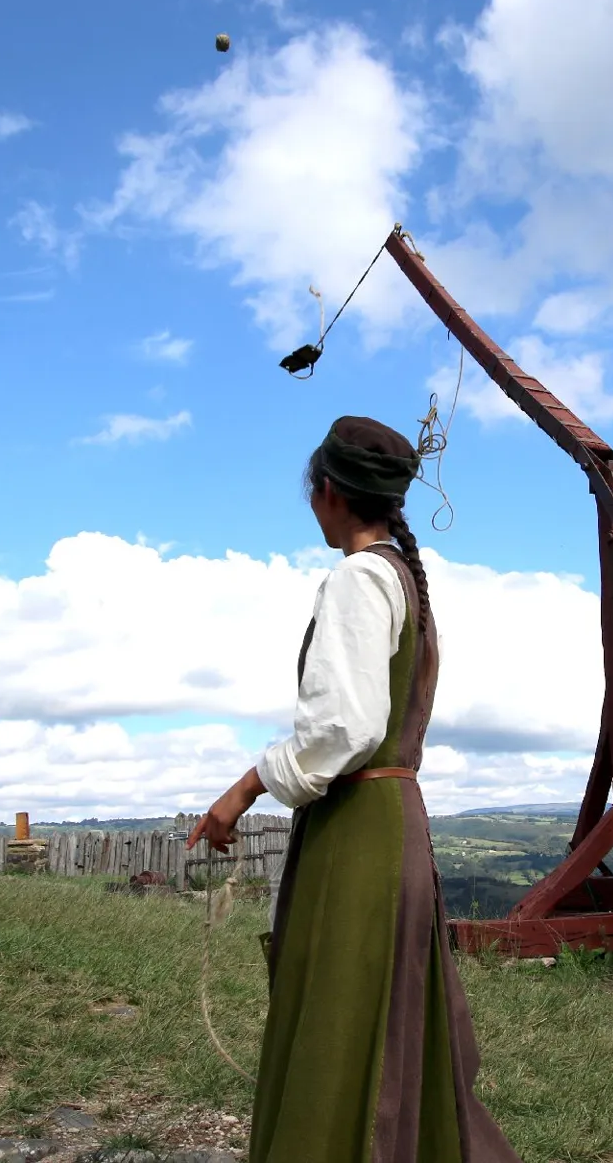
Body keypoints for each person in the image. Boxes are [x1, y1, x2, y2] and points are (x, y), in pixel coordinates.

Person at [188, 415, 522, 1163]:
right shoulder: (405, 580)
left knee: (340, 1023)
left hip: (360, 833)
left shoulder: (360, 578)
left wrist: (240, 792)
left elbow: (341, 731)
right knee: (388, 1020)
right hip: (391, 820)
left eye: (314, 492)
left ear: (329, 492)